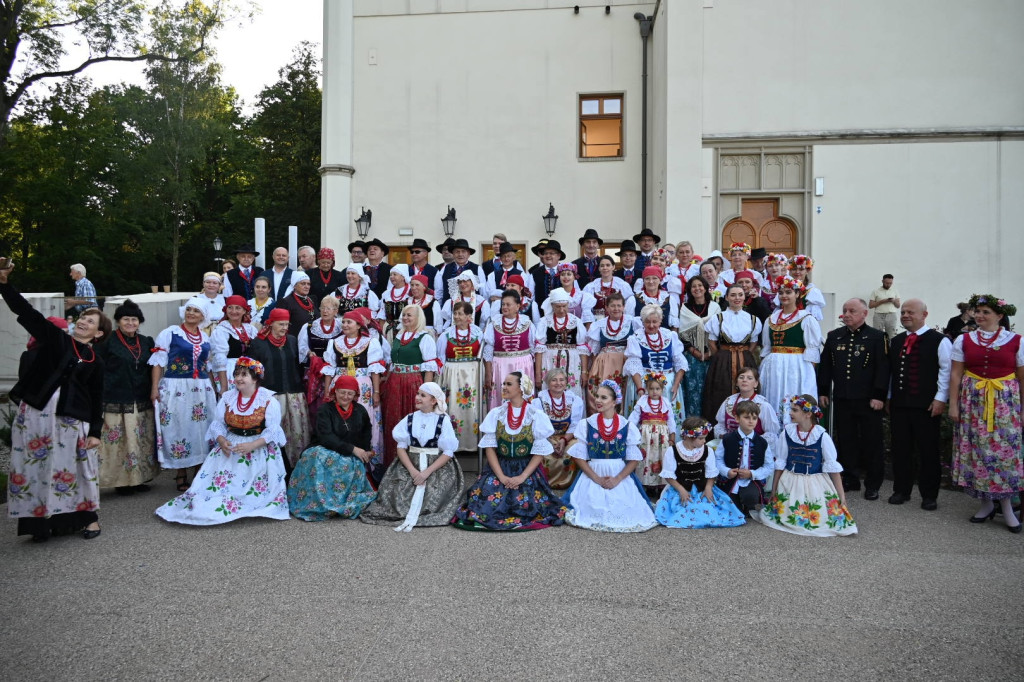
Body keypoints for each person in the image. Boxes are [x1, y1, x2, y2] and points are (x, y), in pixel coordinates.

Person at [1, 261, 108, 541]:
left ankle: (89, 520)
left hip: (72, 419)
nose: (83, 321)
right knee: (35, 466)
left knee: (74, 468)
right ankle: (40, 524)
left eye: (90, 321)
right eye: (83, 317)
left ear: (98, 334)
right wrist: (4, 285)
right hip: (36, 413)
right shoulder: (57, 340)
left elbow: (97, 397)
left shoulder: (96, 361)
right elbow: (27, 314)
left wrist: (95, 432)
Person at [155, 358, 289, 525]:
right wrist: (221, 439)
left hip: (258, 449)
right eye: (237, 374)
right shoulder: (228, 397)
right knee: (211, 493)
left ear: (255, 378)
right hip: (231, 447)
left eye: (244, 375)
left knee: (252, 495)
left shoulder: (268, 400)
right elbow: (218, 424)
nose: (238, 379)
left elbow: (272, 431)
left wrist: (252, 445)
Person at [452, 372, 569, 531]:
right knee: (485, 504)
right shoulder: (496, 414)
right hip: (499, 467)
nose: (504, 387)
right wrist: (500, 476)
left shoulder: (535, 415)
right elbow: (490, 449)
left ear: (521, 389)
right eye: (504, 384)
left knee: (529, 504)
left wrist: (522, 477)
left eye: (508, 384)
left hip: (526, 469)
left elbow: (539, 453)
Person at [949, 294, 1023, 531]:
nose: (979, 316)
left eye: (985, 312)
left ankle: (1007, 507)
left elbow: (1022, 378)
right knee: (977, 451)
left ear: (1000, 316)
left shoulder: (1017, 341)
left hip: (1004, 404)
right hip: (973, 402)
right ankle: (986, 504)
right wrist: (953, 404)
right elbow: (956, 374)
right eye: (977, 311)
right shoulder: (964, 340)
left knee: (1004, 454)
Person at [361, 382, 465, 530]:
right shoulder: (410, 418)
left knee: (436, 495)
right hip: (411, 463)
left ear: (434, 400)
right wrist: (413, 471)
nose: (417, 397)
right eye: (418, 394)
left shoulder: (443, 420)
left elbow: (448, 452)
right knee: (397, 495)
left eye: (423, 395)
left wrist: (426, 473)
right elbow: (401, 448)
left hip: (436, 467)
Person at [817, 298, 890, 498]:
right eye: (844, 310)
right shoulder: (835, 336)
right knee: (846, 440)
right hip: (843, 397)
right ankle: (850, 478)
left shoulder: (877, 337)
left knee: (872, 441)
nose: (847, 314)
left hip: (868, 400)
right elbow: (826, 367)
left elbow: (882, 369)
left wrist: (879, 395)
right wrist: (823, 391)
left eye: (852, 311)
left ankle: (873, 484)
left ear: (864, 313)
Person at [564, 380, 658, 533]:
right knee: (590, 506)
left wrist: (618, 479)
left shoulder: (626, 425)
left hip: (618, 472)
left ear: (615, 401)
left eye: (604, 397)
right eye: (597, 396)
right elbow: (579, 457)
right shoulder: (586, 424)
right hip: (593, 472)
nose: (598, 401)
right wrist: (596, 478)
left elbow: (634, 459)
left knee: (625, 508)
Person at [759, 395, 857, 536]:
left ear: (808, 414)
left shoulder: (821, 435)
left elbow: (833, 468)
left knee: (825, 516)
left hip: (815, 482)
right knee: (784, 512)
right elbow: (780, 463)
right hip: (790, 481)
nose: (790, 413)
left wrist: (841, 496)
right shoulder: (788, 432)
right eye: (791, 410)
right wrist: (774, 490)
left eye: (795, 410)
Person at [887, 299, 952, 510]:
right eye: (903, 312)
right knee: (901, 449)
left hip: (927, 406)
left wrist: (941, 398)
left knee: (928, 450)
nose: (905, 315)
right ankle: (901, 490)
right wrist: (889, 397)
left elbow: (946, 372)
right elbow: (891, 373)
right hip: (900, 404)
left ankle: (929, 494)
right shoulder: (896, 341)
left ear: (924, 314)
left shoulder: (939, 340)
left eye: (910, 312)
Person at [287, 375, 378, 522]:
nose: (346, 396)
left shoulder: (360, 410)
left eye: (350, 393)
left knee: (351, 463)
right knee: (318, 457)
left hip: (350, 452)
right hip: (325, 448)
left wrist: (365, 450)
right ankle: (319, 503)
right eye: (342, 392)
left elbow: (366, 432)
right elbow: (326, 437)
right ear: (335, 391)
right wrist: (353, 449)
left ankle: (338, 501)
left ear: (355, 395)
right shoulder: (325, 410)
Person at [150, 297, 218, 492]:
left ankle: (199, 472)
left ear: (203, 316)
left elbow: (208, 366)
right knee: (179, 428)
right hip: (176, 387)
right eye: (189, 310)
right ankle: (180, 473)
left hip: (202, 389)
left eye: (196, 311)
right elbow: (158, 361)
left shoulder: (205, 338)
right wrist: (154, 387)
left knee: (202, 430)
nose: (191, 314)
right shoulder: (170, 333)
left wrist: (214, 389)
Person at [96, 299, 157, 495]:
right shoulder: (107, 341)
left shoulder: (147, 341)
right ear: (118, 321)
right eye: (126, 319)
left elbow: (153, 366)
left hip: (141, 397)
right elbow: (96, 367)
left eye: (134, 319)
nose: (130, 323)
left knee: (139, 440)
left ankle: (138, 479)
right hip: (115, 396)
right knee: (119, 442)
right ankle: (121, 482)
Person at [322, 308, 387, 475]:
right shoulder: (334, 343)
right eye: (343, 322)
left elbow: (374, 370)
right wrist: (328, 390)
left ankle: (368, 460)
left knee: (363, 419)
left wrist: (376, 392)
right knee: (342, 419)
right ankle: (343, 455)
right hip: (341, 385)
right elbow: (330, 368)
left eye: (348, 322)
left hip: (363, 386)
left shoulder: (370, 342)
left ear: (359, 325)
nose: (345, 325)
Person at [246, 308, 310, 470]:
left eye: (286, 324)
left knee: (297, 435)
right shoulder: (257, 343)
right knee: (273, 432)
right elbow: (252, 372)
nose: (284, 328)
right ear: (271, 323)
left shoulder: (292, 340)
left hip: (295, 394)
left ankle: (296, 470)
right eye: (280, 324)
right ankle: (274, 469)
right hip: (271, 395)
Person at [655, 417, 746, 529]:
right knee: (682, 509)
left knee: (710, 510)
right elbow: (669, 475)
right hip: (680, 487)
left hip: (702, 487)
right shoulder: (673, 451)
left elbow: (711, 473)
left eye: (705, 438)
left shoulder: (707, 450)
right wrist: (681, 490)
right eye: (701, 438)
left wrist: (708, 488)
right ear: (689, 437)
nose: (704, 441)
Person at [381, 305, 439, 471]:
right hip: (395, 382)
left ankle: (414, 464)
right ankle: (393, 463)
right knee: (394, 419)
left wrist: (426, 391)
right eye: (404, 315)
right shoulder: (399, 336)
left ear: (418, 318)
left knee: (411, 419)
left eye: (409, 316)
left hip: (413, 382)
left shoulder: (424, 337)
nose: (405, 318)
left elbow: (429, 367)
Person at [760, 276, 823, 426]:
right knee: (774, 398)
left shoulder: (806, 318)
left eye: (788, 292)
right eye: (781, 292)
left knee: (794, 398)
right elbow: (767, 348)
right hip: (773, 368)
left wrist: (806, 374)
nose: (784, 296)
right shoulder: (771, 319)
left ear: (797, 294)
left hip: (796, 367)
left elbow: (813, 350)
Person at [702, 284, 762, 422]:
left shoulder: (752, 319)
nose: (737, 298)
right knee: (720, 390)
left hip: (745, 358)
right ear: (727, 297)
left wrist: (745, 353)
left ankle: (749, 422)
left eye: (740, 295)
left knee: (748, 388)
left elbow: (753, 342)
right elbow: (711, 342)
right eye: (733, 295)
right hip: (723, 360)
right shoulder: (719, 318)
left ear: (744, 297)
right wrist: (723, 355)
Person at [624, 304, 688, 424]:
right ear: (642, 322)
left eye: (655, 321)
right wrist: (640, 389)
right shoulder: (636, 338)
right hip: (644, 382)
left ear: (660, 321)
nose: (651, 325)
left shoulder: (670, 336)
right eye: (647, 322)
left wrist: (676, 384)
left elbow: (680, 362)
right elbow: (634, 365)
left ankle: (671, 438)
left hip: (667, 383)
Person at [435, 302, 485, 452]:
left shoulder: (478, 333)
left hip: (472, 374)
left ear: (469, 316)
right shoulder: (446, 334)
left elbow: (482, 357)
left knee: (472, 409)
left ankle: (472, 445)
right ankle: (453, 445)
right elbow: (440, 358)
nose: (456, 317)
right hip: (452, 376)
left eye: (460, 314)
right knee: (454, 409)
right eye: (455, 313)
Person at [714, 400, 775, 516]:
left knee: (751, 497)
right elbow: (718, 459)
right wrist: (726, 471)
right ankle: (737, 505)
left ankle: (748, 505)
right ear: (737, 418)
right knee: (729, 507)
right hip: (730, 481)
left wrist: (752, 474)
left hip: (751, 481)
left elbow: (769, 465)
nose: (751, 421)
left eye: (754, 418)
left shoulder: (762, 442)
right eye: (747, 417)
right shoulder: (727, 439)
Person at [482, 289, 537, 409]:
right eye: (503, 304)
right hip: (500, 367)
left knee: (523, 396)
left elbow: (533, 348)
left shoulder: (527, 323)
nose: (504, 307)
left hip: (523, 365)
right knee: (502, 397)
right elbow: (488, 350)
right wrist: (488, 373)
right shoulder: (494, 324)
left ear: (518, 306)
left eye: (508, 304)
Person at [534, 288, 590, 401]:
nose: (561, 309)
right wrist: (538, 374)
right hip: (549, 362)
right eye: (558, 306)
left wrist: (584, 372)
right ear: (552, 306)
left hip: (573, 363)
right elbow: (539, 350)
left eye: (564, 306)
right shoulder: (545, 321)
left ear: (568, 305)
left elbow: (582, 349)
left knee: (572, 393)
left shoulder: (576, 321)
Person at [297, 295, 344, 431]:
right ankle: (316, 432)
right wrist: (309, 353)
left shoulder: (342, 326)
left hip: (335, 372)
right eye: (323, 308)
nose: (325, 311)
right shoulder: (309, 326)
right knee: (315, 405)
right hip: (314, 371)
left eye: (329, 308)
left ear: (336, 311)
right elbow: (302, 347)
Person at [628, 372, 678, 496]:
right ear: (646, 389)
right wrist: (630, 434)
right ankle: (646, 484)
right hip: (646, 436)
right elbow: (633, 419)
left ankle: (661, 485)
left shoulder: (665, 402)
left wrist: (672, 437)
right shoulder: (642, 401)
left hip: (662, 437)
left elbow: (671, 420)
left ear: (662, 389)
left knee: (662, 457)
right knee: (647, 458)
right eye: (651, 389)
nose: (654, 392)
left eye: (657, 389)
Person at [678, 275, 720, 420]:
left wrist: (710, 352)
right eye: (693, 286)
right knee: (692, 390)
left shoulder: (715, 307)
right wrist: (693, 351)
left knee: (710, 390)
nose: (697, 289)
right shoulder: (685, 308)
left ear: (706, 288)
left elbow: (720, 331)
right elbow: (682, 333)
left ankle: (710, 426)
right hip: (692, 357)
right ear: (689, 290)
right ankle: (693, 423)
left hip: (712, 355)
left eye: (700, 285)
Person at [536, 368, 585, 490]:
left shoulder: (575, 400)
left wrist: (563, 440)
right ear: (548, 382)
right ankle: (544, 482)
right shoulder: (539, 401)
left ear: (566, 382)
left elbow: (575, 425)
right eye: (554, 380)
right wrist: (551, 442)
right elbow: (538, 427)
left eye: (562, 380)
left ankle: (570, 483)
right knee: (541, 449)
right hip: (546, 438)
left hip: (567, 437)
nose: (558, 383)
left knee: (575, 447)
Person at [585, 292, 632, 414]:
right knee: (603, 390)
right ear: (606, 308)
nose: (616, 309)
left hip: (624, 363)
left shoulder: (632, 323)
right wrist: (591, 369)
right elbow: (594, 351)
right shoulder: (599, 325)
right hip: (604, 363)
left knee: (624, 391)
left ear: (623, 307)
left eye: (618, 305)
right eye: (612, 306)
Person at [712, 366, 781, 448]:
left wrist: (750, 442)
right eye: (741, 377)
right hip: (731, 447)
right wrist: (725, 437)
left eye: (749, 378)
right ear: (737, 383)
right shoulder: (729, 401)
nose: (744, 380)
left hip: (754, 449)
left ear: (756, 384)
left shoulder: (763, 405)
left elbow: (771, 434)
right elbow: (720, 425)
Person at [210, 295, 259, 395]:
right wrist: (224, 386)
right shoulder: (221, 330)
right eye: (230, 307)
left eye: (238, 308)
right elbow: (220, 358)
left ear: (244, 311)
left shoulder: (251, 329)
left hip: (250, 372)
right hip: (230, 372)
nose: (233, 311)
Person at [582, 255, 633, 321]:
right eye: (602, 266)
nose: (605, 268)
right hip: (597, 322)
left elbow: (629, 307)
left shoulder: (622, 285)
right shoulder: (591, 287)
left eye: (608, 265)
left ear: (613, 267)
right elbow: (586, 309)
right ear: (599, 268)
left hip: (618, 322)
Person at [437, 238, 483, 304]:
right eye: (457, 251)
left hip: (472, 307)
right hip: (450, 308)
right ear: (453, 253)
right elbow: (440, 291)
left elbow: (482, 292)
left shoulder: (477, 268)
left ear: (468, 254)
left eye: (463, 251)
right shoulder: (445, 268)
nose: (460, 254)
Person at [632, 266, 678, 331]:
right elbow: (630, 325)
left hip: (664, 338)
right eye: (647, 278)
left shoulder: (669, 299)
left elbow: (674, 327)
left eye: (654, 278)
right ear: (643, 281)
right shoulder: (633, 300)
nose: (651, 281)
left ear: (660, 280)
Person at [782, 255, 826, 322]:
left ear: (807, 270)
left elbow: (812, 319)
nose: (797, 272)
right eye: (794, 269)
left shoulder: (812, 292)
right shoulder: (783, 289)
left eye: (801, 269)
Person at [274, 271, 316, 338]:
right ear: (295, 285)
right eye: (303, 284)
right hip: (295, 339)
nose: (306, 286)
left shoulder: (312, 300)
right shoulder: (285, 302)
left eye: (308, 284)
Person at [379, 264, 412, 342]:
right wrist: (382, 331)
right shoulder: (386, 294)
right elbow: (382, 315)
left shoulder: (410, 292)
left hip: (406, 330)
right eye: (391, 275)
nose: (392, 277)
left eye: (395, 274)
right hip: (389, 330)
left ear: (403, 277)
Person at [531, 240, 566, 305]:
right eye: (545, 253)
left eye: (551, 253)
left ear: (558, 256)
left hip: (562, 311)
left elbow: (573, 292)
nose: (548, 256)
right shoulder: (535, 273)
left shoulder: (566, 271)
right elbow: (531, 296)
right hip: (541, 312)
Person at [869, 274, 901, 339]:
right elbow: (870, 305)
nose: (888, 285)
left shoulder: (895, 291)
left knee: (891, 335)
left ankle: (891, 349)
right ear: (882, 281)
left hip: (891, 314)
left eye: (890, 283)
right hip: (879, 315)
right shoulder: (876, 291)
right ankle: (879, 349)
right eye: (886, 283)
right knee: (877, 334)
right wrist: (883, 301)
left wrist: (893, 301)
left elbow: (898, 306)